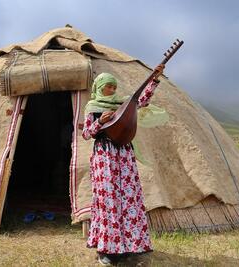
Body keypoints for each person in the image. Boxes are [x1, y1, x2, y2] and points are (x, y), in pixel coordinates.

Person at [82, 66, 164, 265]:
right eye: (108, 87)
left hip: (124, 156)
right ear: (99, 87)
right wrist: (99, 122)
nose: (112, 90)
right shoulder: (92, 107)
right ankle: (107, 251)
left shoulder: (122, 103)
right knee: (108, 200)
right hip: (105, 157)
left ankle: (129, 247)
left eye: (113, 87)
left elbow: (141, 101)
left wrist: (154, 79)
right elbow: (86, 134)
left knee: (128, 200)